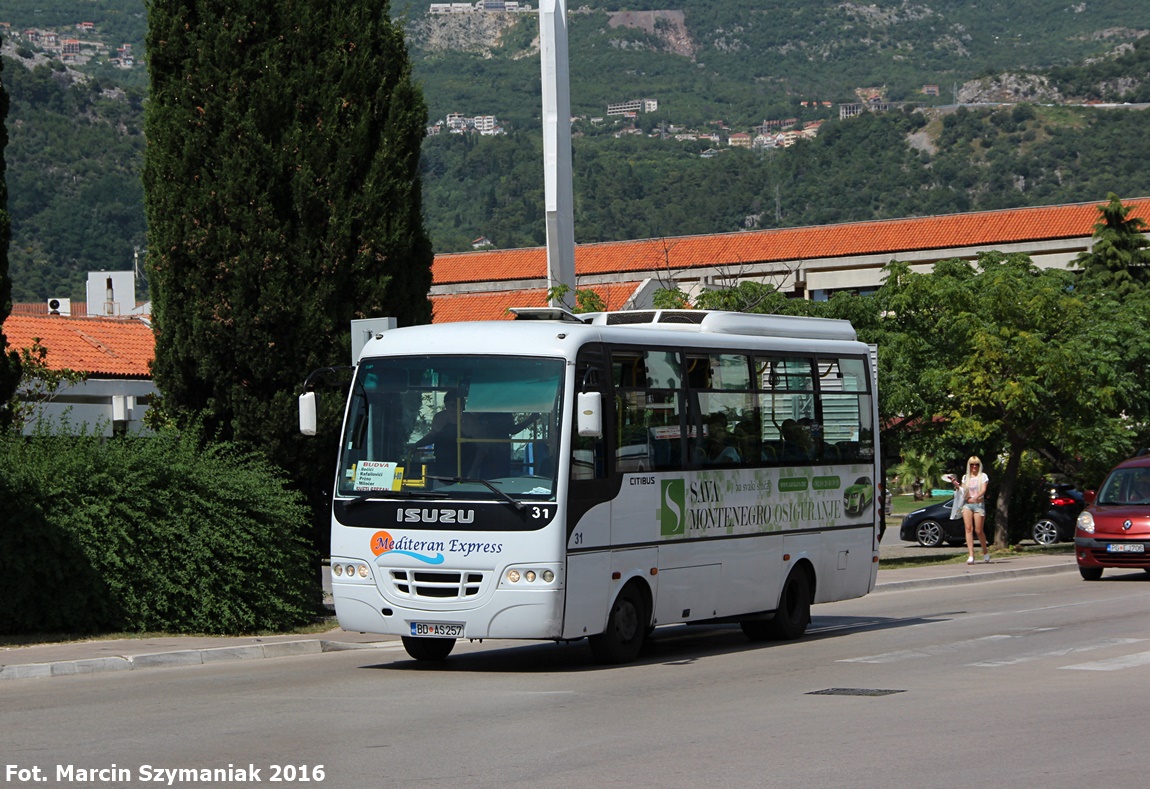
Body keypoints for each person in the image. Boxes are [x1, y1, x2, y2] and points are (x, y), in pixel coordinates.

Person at [953, 456, 989, 564]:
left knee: (979, 530)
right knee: (968, 529)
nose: (974, 467)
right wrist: (956, 485)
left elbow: (983, 490)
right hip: (967, 504)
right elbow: (963, 491)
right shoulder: (966, 477)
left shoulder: (983, 476)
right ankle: (971, 555)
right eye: (972, 464)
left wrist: (976, 497)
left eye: (976, 464)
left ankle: (985, 552)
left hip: (978, 504)